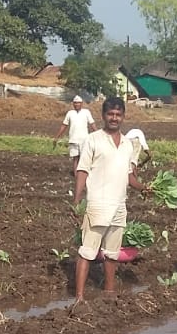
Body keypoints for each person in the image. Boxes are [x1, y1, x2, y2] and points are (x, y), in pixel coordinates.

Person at [73, 97, 146, 303]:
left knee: (112, 253)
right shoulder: (93, 139)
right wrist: (77, 200)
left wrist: (144, 188)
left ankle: (109, 291)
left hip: (119, 205)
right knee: (87, 251)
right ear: (103, 116)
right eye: (110, 114)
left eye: (118, 114)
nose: (114, 118)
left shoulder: (128, 145)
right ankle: (79, 297)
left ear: (123, 117)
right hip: (97, 204)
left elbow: (129, 176)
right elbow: (82, 170)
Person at [53, 95, 97, 180]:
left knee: (84, 158)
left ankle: (85, 175)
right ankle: (76, 176)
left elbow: (92, 124)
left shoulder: (86, 112)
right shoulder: (70, 113)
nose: (77, 105)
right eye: (75, 103)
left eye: (78, 103)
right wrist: (56, 137)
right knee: (75, 158)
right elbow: (64, 125)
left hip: (84, 140)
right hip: (73, 139)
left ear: (82, 104)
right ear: (73, 104)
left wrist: (98, 134)